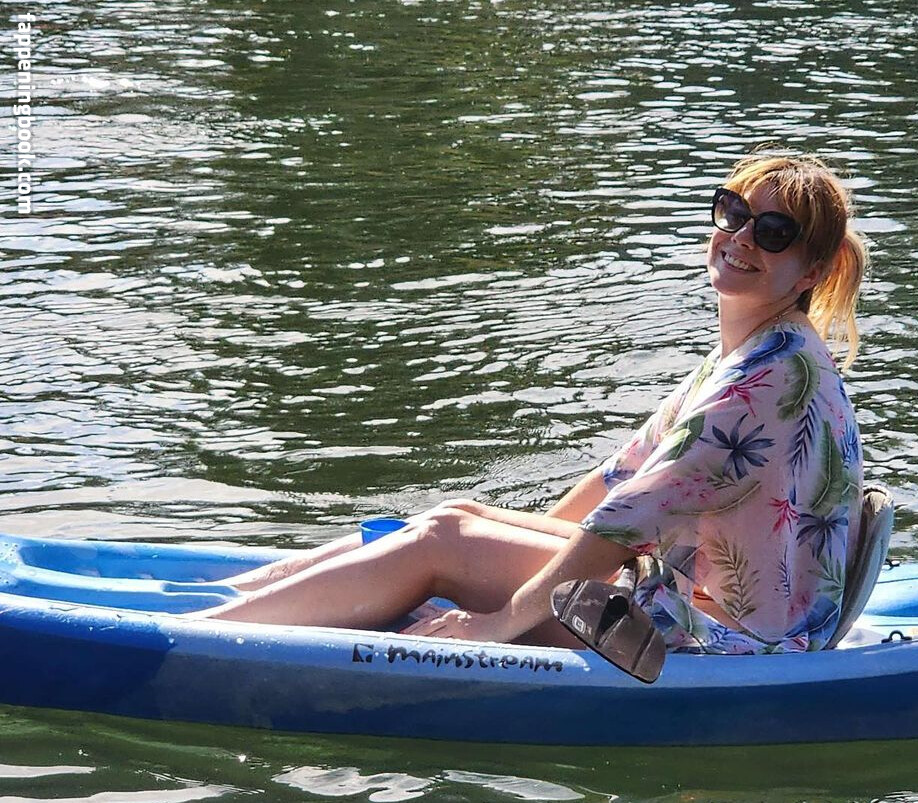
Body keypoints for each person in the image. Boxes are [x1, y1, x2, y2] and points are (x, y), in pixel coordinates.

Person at [198, 151, 867, 655]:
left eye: (773, 232)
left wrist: (496, 619)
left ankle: (201, 637)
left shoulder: (768, 379)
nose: (742, 237)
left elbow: (617, 529)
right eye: (735, 213)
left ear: (810, 271)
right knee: (457, 520)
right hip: (693, 604)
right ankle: (227, 602)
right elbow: (620, 477)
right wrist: (489, 564)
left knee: (445, 540)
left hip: (715, 642)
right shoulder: (763, 352)